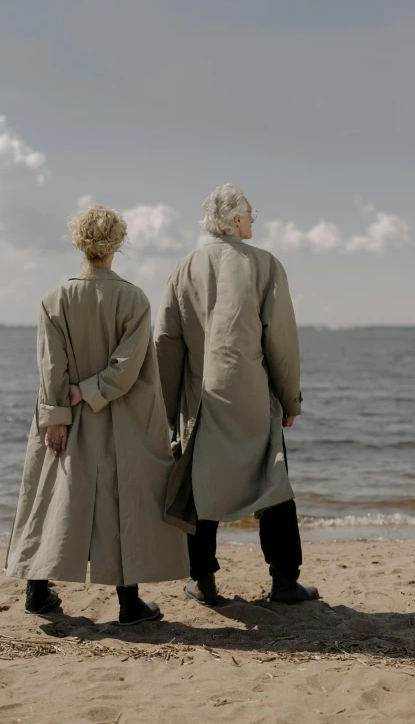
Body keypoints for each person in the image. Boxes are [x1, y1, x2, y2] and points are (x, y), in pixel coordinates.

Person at [6, 205, 189, 625]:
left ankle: (37, 592)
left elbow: (50, 365)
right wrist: (92, 391)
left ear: (79, 242)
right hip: (120, 418)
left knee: (52, 497)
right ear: (117, 243)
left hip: (66, 416)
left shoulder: (55, 299)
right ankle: (129, 603)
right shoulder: (134, 299)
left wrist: (57, 413)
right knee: (124, 502)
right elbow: (127, 368)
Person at [154, 184, 318, 606]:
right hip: (251, 398)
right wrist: (290, 399)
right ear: (234, 220)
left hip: (202, 398)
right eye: (250, 213)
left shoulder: (184, 267)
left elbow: (167, 343)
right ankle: (284, 581)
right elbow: (280, 339)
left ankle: (203, 581)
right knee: (273, 482)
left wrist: (167, 408)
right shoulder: (265, 264)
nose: (253, 219)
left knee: (201, 485)